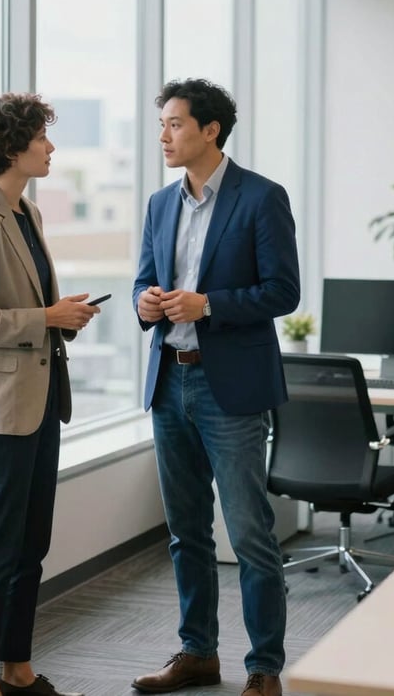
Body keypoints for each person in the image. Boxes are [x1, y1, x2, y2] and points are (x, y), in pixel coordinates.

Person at [131, 78, 300, 696]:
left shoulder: (261, 198)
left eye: (175, 124)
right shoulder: (158, 204)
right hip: (167, 385)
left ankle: (264, 668)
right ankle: (197, 651)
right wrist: (145, 302)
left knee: (251, 534)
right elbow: (143, 281)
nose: (164, 136)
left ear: (211, 131)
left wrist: (209, 305)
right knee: (186, 532)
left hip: (229, 388)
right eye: (162, 125)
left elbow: (284, 292)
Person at [0, 92, 102, 696]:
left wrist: (58, 315)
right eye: (41, 137)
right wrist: (46, 317)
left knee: (32, 543)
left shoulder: (25, 213)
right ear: (12, 146)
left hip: (39, 399)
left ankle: (16, 665)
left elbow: (29, 306)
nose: (50, 146)